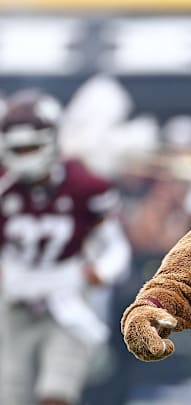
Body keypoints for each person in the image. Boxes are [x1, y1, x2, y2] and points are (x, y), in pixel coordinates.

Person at [0, 89, 132, 405]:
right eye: (17, 147)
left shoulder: (84, 185)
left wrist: (100, 272)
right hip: (16, 305)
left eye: (32, 145)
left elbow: (115, 246)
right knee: (11, 395)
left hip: (67, 303)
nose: (25, 155)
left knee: (56, 394)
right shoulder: (5, 188)